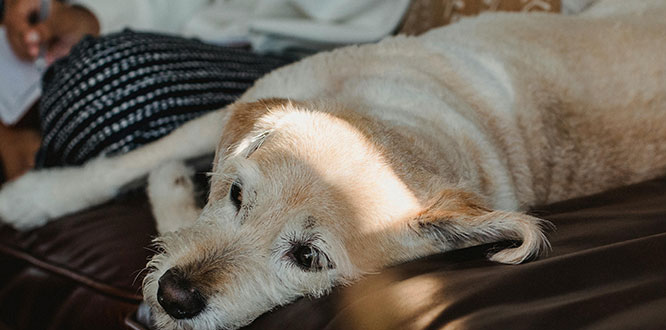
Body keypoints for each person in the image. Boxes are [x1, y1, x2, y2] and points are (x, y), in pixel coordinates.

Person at [0, 0, 410, 181]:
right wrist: (86, 15)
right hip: (180, 29)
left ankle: (30, 139)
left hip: (298, 56)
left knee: (104, 86)